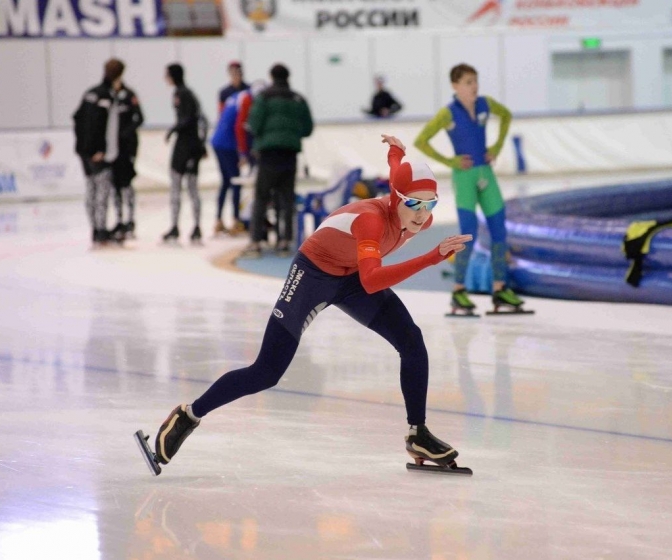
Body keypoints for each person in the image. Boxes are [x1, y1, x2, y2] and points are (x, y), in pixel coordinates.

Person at [141, 135, 473, 474]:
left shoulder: (413, 209)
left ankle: (417, 433)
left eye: (430, 204)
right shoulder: (371, 220)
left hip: (353, 274)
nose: (422, 215)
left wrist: (396, 151)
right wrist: (433, 257)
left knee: (412, 342)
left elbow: (396, 174)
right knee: (266, 371)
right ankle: (189, 414)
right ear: (396, 198)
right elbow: (373, 280)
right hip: (314, 273)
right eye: (414, 204)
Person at [414, 63, 526, 313]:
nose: (474, 86)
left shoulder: (485, 104)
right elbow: (421, 141)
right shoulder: (448, 113)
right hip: (464, 176)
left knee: (499, 230)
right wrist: (449, 161)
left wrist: (496, 146)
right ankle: (458, 291)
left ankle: (500, 289)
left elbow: (506, 115)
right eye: (468, 82)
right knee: (469, 232)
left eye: (475, 81)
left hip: (486, 173)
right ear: (455, 86)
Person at [243, 63, 313, 257]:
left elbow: (253, 125)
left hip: (267, 156)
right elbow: (307, 129)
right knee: (286, 199)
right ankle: (284, 241)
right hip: (289, 155)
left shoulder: (263, 98)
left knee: (261, 198)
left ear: (271, 77)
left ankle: (256, 242)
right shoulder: (298, 99)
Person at [73, 58, 129, 247]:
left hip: (86, 151)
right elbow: (95, 124)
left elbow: (77, 118)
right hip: (98, 152)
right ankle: (100, 230)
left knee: (92, 190)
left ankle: (96, 229)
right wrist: (98, 149)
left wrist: (82, 148)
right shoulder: (105, 96)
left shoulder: (92, 92)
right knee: (100, 192)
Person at [210, 80, 267, 236]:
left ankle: (219, 220)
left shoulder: (238, 96)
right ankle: (236, 220)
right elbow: (240, 127)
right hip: (228, 144)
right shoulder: (248, 100)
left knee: (226, 182)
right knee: (236, 182)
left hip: (219, 141)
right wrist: (243, 153)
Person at [162, 63, 207, 244]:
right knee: (183, 187)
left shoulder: (183, 94)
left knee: (188, 188)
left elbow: (191, 120)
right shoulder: (185, 93)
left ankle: (194, 226)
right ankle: (177, 226)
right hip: (187, 146)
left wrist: (174, 129)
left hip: (187, 146)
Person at [110, 70, 145, 241]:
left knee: (127, 183)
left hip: (128, 148)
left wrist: (126, 133)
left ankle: (131, 219)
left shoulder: (129, 95)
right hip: (113, 149)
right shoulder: (109, 96)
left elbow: (140, 118)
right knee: (115, 185)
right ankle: (119, 219)